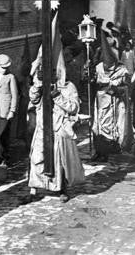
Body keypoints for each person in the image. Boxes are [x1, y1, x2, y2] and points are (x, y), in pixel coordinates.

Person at [27, 66, 85, 203]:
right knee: (37, 157)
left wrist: (57, 96)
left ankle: (62, 189)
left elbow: (74, 107)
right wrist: (38, 85)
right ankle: (35, 188)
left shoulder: (68, 86)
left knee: (59, 161)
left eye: (53, 71)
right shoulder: (41, 84)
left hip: (59, 128)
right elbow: (34, 100)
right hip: (42, 127)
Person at [92, 31, 130, 161]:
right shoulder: (98, 68)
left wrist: (116, 88)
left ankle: (108, 151)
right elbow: (94, 83)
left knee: (111, 127)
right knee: (97, 126)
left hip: (115, 103)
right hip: (100, 101)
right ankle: (98, 150)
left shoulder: (122, 69)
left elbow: (126, 87)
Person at [0, 54, 18, 164]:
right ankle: (0, 155)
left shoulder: (10, 77)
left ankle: (2, 157)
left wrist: (12, 110)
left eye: (7, 67)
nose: (5, 69)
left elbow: (14, 95)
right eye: (3, 67)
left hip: (5, 111)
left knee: (2, 135)